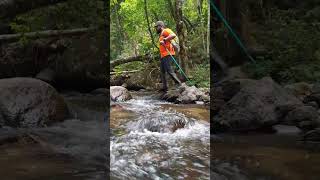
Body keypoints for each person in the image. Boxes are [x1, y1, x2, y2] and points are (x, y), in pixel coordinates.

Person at [154, 21, 182, 92]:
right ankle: (165, 88)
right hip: (163, 55)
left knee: (169, 70)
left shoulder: (165, 31)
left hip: (168, 54)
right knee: (162, 72)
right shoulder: (161, 35)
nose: (156, 29)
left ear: (160, 26)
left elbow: (173, 35)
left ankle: (178, 84)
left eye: (156, 27)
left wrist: (165, 39)